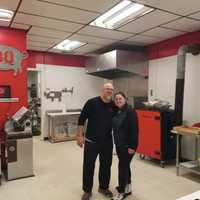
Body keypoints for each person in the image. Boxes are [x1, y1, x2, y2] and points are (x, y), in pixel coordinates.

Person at [77, 83, 116, 200]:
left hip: (107, 141)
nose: (109, 91)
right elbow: (81, 119)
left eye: (111, 89)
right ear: (102, 90)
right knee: (88, 166)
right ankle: (87, 190)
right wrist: (79, 136)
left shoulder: (113, 105)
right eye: (107, 89)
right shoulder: (92, 102)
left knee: (106, 165)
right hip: (91, 141)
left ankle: (103, 187)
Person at [112, 92, 138, 200]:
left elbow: (134, 130)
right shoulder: (117, 111)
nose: (118, 100)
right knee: (125, 166)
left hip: (127, 145)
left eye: (120, 98)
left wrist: (132, 146)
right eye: (116, 99)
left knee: (122, 167)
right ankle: (128, 188)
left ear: (125, 99)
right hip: (119, 144)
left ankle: (121, 192)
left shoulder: (130, 111)